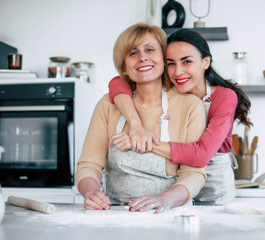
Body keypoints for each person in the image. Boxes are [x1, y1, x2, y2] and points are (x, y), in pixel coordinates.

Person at [108, 28, 251, 205]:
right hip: (178, 182)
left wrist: (142, 141)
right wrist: (136, 125)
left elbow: (201, 154)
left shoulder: (224, 96)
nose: (178, 72)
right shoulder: (172, 90)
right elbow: (116, 83)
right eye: (171, 64)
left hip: (214, 184)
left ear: (205, 62)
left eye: (187, 62)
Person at [75, 23, 207, 213]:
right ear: (125, 67)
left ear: (164, 59)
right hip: (116, 214)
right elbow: (89, 164)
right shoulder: (108, 105)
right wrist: (91, 191)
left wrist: (164, 200)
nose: (143, 57)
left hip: (170, 212)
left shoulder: (190, 106)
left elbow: (193, 174)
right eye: (133, 53)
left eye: (150, 50)